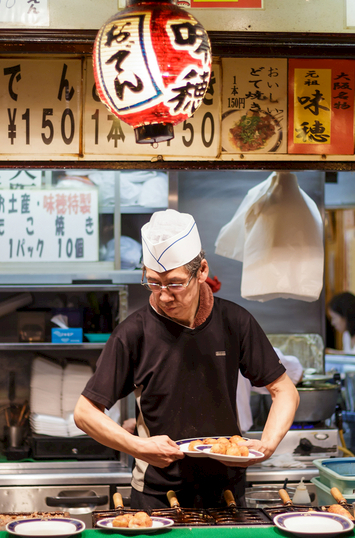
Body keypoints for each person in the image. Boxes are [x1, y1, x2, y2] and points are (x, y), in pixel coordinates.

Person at [74, 209, 300, 511]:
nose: (164, 296)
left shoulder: (235, 322)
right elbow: (85, 413)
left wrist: (267, 444)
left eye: (175, 283)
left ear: (202, 270)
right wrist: (140, 447)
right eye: (153, 282)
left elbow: (285, 390)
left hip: (227, 490)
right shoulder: (134, 333)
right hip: (157, 493)